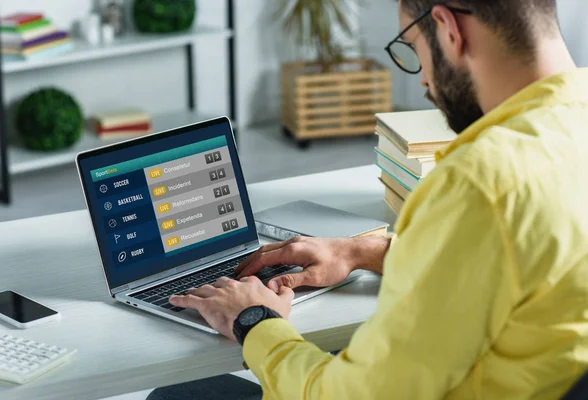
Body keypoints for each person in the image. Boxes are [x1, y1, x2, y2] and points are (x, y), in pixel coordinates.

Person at [149, 0, 588, 398]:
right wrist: (363, 251)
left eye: (414, 49)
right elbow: (518, 259)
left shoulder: (479, 182)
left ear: (448, 29)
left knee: (175, 395)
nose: (426, 84)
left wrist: (255, 321)